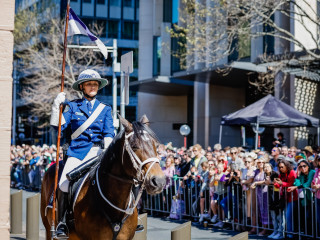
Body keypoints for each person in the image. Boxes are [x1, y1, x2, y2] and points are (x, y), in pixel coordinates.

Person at [50, 69, 115, 237]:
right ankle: (63, 222)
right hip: (78, 152)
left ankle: (125, 215)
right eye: (89, 84)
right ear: (82, 87)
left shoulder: (105, 109)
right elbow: (59, 129)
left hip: (99, 153)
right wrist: (56, 108)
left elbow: (109, 133)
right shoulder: (72, 106)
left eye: (95, 84)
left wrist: (108, 150)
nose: (93, 87)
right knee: (64, 184)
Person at [288, 159, 315, 235]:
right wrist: (298, 175)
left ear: (308, 166)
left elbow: (307, 184)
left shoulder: (312, 172)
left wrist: (296, 187)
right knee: (305, 217)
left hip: (313, 199)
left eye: (304, 166)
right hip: (305, 200)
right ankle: (307, 234)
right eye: (300, 167)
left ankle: (312, 234)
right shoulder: (302, 175)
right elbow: (296, 183)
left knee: (311, 217)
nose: (303, 168)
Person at [274, 159, 297, 239]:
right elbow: (278, 185)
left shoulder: (292, 172)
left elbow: (292, 184)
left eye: (282, 167)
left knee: (288, 216)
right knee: (285, 216)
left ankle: (290, 234)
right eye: (279, 167)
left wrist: (281, 183)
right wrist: (276, 183)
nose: (280, 169)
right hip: (284, 198)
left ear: (286, 166)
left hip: (292, 197)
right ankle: (287, 233)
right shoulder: (281, 174)